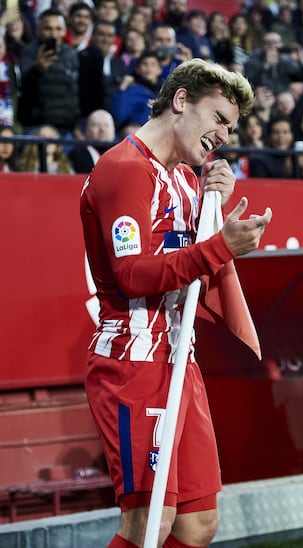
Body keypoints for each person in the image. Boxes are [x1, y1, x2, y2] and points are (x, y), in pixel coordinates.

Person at [80, 58, 272, 548]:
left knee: (197, 524)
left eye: (231, 127)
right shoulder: (122, 169)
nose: (224, 133)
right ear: (181, 100)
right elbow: (132, 275)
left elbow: (195, 273)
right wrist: (220, 246)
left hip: (180, 363)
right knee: (149, 523)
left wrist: (216, 209)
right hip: (133, 364)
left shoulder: (188, 180)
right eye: (219, 118)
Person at [17, 7, 80, 136]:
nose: (53, 33)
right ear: (39, 30)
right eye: (48, 28)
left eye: (58, 29)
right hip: (35, 126)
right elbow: (22, 87)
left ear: (64, 31)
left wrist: (75, 125)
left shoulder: (71, 54)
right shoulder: (28, 52)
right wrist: (38, 69)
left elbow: (75, 91)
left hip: (65, 127)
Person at [69, 108, 115, 173]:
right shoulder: (76, 155)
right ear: (86, 130)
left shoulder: (124, 155)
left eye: (106, 125)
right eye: (96, 125)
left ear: (114, 130)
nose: (102, 130)